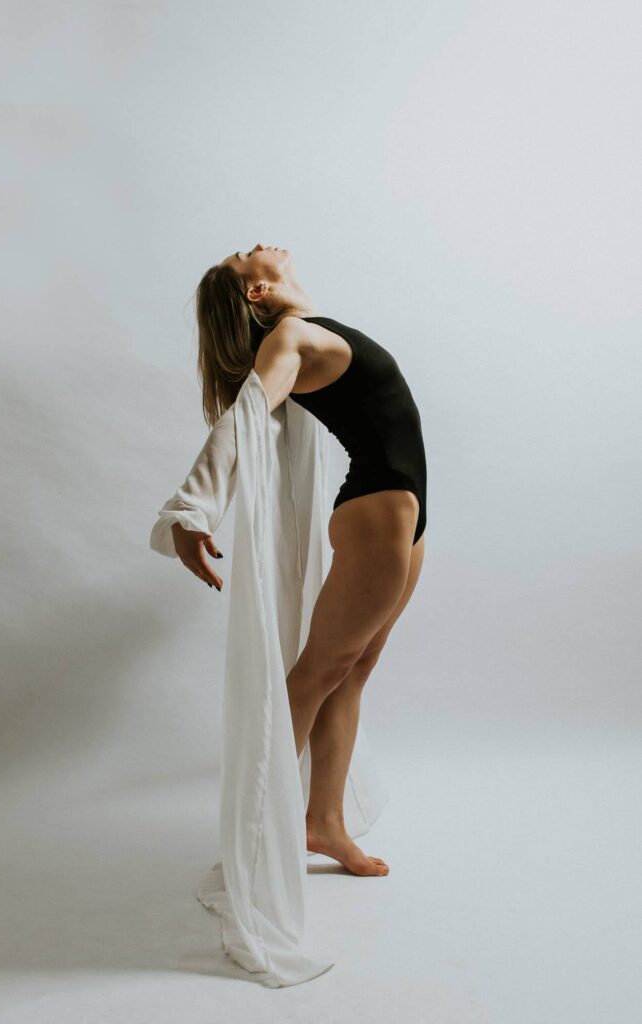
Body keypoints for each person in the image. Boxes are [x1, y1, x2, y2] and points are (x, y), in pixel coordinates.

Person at [172, 243, 427, 879]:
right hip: (377, 511)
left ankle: (324, 823)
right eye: (240, 259)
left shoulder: (309, 329)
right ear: (256, 291)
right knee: (318, 671)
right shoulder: (288, 338)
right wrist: (191, 511)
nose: (249, 247)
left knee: (353, 669)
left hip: (405, 513)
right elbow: (245, 418)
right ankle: (261, 832)